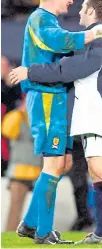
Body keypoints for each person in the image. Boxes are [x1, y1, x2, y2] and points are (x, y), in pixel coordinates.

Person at [10, 0, 102, 245]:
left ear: (92, 11)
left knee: (97, 168)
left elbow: (71, 69)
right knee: (96, 176)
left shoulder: (100, 38)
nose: (79, 10)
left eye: (84, 7)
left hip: (98, 113)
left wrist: (30, 70)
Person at [1, 98, 42, 231]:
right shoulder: (16, 117)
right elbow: (6, 130)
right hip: (19, 172)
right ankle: (10, 236)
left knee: (38, 211)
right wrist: (21, 111)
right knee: (15, 208)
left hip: (38, 172)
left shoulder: (40, 121)